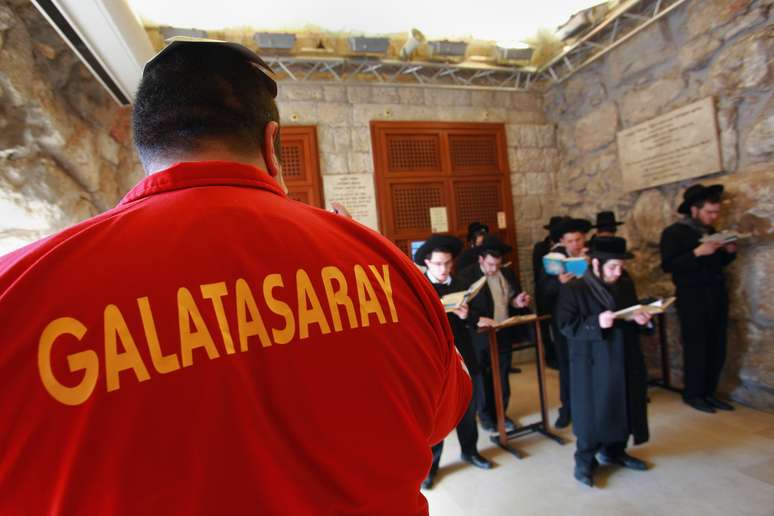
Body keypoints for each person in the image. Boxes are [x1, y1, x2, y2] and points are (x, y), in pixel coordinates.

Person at [0, 38, 471, 515]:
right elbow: (439, 416)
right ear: (271, 145)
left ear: (143, 151)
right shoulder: (384, 265)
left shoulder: (15, 292)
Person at [556, 237, 651, 487]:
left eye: (620, 267)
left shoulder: (624, 283)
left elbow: (631, 310)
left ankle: (615, 450)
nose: (617, 273)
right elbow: (565, 325)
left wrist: (641, 318)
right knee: (593, 413)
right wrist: (595, 323)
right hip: (592, 362)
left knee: (624, 404)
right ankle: (585, 460)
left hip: (624, 355)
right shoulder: (574, 289)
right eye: (612, 268)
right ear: (596, 264)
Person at [415, 235, 493, 489]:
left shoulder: (461, 284)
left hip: (463, 356)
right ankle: (431, 466)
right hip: (432, 361)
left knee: (466, 409)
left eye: (448, 263)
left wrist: (467, 314)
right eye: (438, 264)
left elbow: (479, 318)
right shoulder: (418, 287)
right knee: (435, 415)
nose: (444, 269)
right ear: (427, 263)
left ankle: (469, 450)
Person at [660, 183, 736, 413]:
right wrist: (695, 253)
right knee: (697, 347)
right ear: (694, 209)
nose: (714, 217)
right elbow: (668, 265)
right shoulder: (673, 233)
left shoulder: (712, 232)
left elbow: (716, 264)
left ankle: (709, 393)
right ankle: (693, 394)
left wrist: (728, 254)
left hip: (716, 297)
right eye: (709, 212)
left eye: (716, 212)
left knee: (717, 347)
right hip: (693, 299)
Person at [459, 235, 532, 433]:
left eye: (497, 265)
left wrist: (518, 301)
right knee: (482, 377)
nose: (493, 269)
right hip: (480, 334)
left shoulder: (506, 273)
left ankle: (501, 413)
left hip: (503, 331)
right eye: (490, 265)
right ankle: (485, 417)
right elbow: (462, 307)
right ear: (481, 259)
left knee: (502, 375)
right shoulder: (466, 276)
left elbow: (510, 300)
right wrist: (478, 318)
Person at [536, 217, 592, 429]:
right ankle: (567, 409)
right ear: (563, 242)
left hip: (589, 319)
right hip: (565, 323)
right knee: (567, 366)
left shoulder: (591, 257)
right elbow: (543, 292)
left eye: (578, 240)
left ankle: (587, 407)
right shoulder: (553, 262)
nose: (575, 245)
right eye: (570, 241)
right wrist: (559, 283)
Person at [532, 216, 567, 368]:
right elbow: (538, 273)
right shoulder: (541, 248)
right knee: (547, 328)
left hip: (560, 295)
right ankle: (550, 356)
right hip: (545, 292)